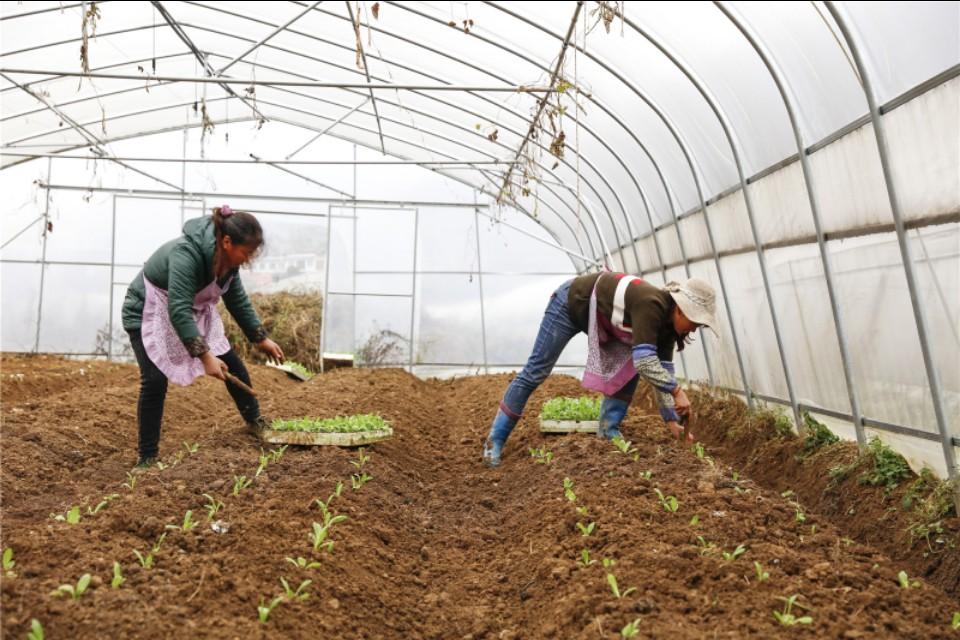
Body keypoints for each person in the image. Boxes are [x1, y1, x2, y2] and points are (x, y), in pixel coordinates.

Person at [481, 272, 718, 468]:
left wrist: (671, 423)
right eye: (695, 323)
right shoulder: (652, 305)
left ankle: (608, 430)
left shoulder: (669, 329)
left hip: (605, 319)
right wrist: (677, 391)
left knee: (629, 367)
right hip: (571, 304)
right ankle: (495, 441)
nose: (695, 330)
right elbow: (645, 363)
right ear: (680, 310)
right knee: (536, 371)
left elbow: (661, 373)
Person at [121, 205, 284, 468]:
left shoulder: (228, 262)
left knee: (232, 362)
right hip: (148, 311)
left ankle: (255, 422)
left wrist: (259, 337)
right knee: (154, 381)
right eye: (246, 252)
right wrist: (205, 356)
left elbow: (237, 299)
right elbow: (178, 309)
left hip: (187, 312)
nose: (248, 259)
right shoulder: (187, 255)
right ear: (228, 241)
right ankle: (147, 457)